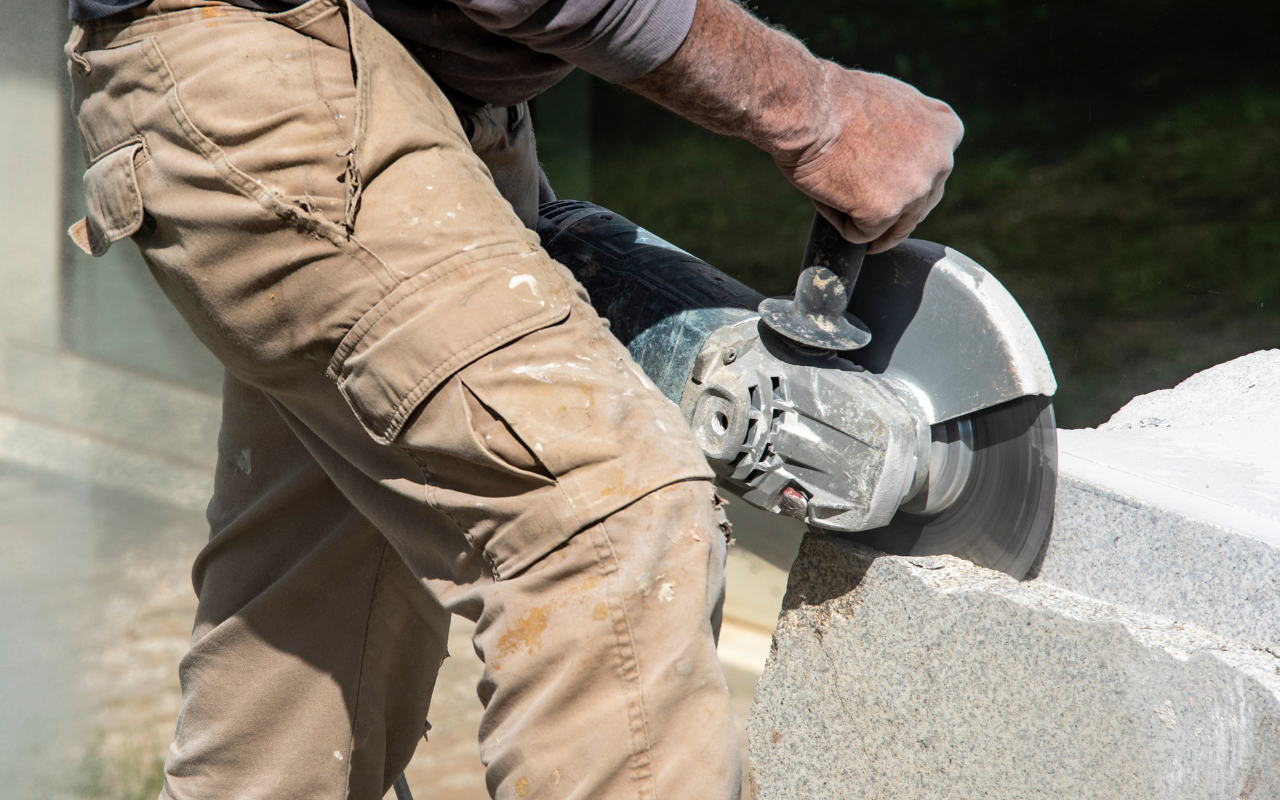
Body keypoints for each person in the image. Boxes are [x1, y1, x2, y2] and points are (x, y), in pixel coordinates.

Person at [64, 0, 962, 796]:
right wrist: (820, 111)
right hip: (276, 65)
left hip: (400, 84)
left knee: (314, 644)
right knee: (607, 524)